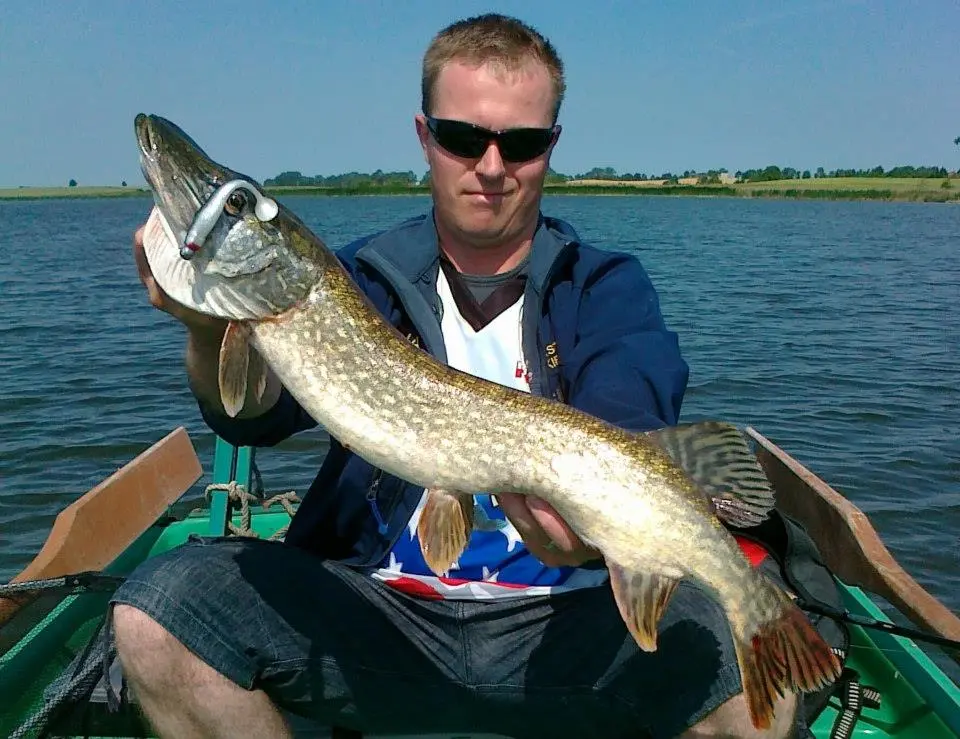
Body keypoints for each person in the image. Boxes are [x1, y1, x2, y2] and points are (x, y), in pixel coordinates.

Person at [114, 13, 806, 739]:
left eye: (522, 142)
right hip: (377, 616)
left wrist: (586, 534)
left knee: (744, 680)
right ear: (425, 137)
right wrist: (207, 327)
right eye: (463, 138)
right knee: (159, 612)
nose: (492, 165)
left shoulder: (606, 288)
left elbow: (623, 421)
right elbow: (251, 416)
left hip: (567, 623)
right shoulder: (358, 279)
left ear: (551, 148)